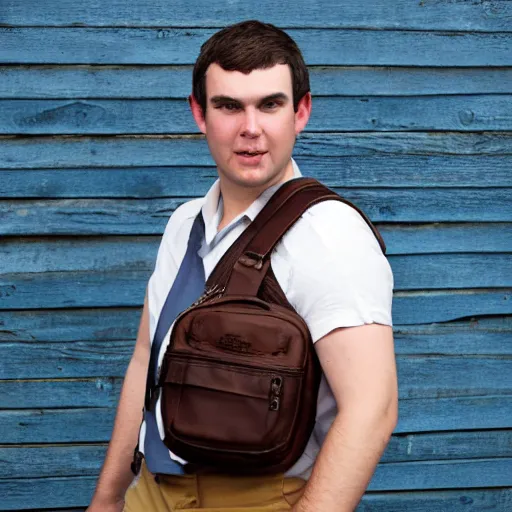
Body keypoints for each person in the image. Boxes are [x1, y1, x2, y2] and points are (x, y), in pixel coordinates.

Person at [87, 20, 398, 512]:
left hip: (257, 498)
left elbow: (372, 410)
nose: (250, 128)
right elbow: (146, 360)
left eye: (269, 104)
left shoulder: (329, 236)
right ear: (199, 114)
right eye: (229, 106)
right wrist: (107, 499)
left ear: (301, 111)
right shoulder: (184, 224)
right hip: (149, 490)